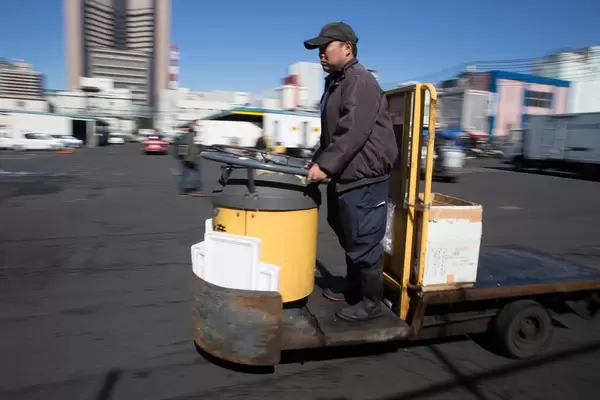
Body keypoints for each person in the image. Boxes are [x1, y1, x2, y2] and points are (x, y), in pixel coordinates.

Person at [304, 22, 398, 322]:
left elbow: (351, 132)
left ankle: (372, 302)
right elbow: (331, 136)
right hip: (346, 174)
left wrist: (326, 165)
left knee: (363, 238)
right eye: (318, 49)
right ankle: (354, 289)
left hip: (364, 176)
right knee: (346, 231)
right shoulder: (336, 81)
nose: (320, 53)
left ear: (347, 48)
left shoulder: (360, 81)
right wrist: (316, 160)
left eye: (325, 47)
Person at [179, 121, 205, 196]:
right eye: (194, 125)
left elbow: (201, 146)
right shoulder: (194, 135)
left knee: (191, 174)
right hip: (190, 158)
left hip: (193, 158)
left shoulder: (192, 135)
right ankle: (193, 190)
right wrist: (182, 156)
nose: (195, 126)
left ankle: (187, 190)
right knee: (192, 174)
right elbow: (183, 146)